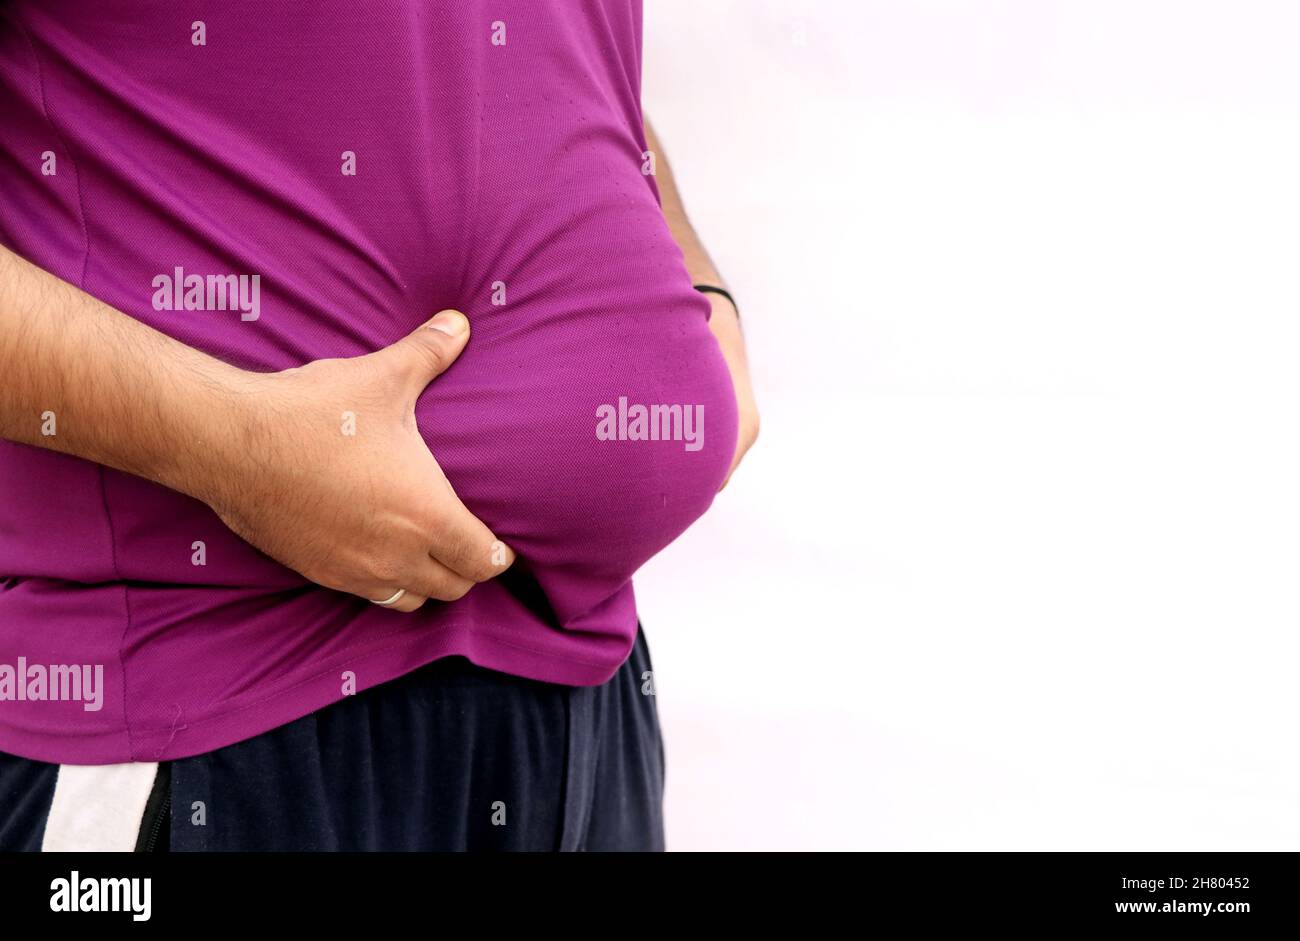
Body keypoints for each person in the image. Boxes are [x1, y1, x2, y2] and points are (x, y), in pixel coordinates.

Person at [0, 0, 757, 851]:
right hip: (219, 699)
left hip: (585, 697)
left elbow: (563, 57)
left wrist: (694, 283)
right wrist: (230, 442)